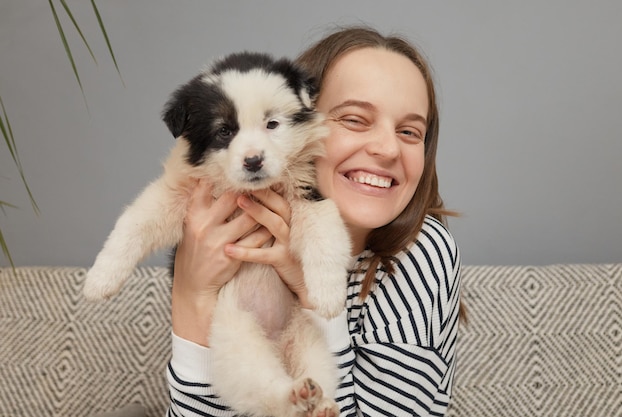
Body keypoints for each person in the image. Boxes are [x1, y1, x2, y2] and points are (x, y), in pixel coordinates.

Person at [167, 26, 462, 417]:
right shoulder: (226, 239)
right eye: (355, 119)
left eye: (409, 131)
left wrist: (313, 294)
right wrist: (191, 299)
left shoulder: (420, 252)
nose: (388, 148)